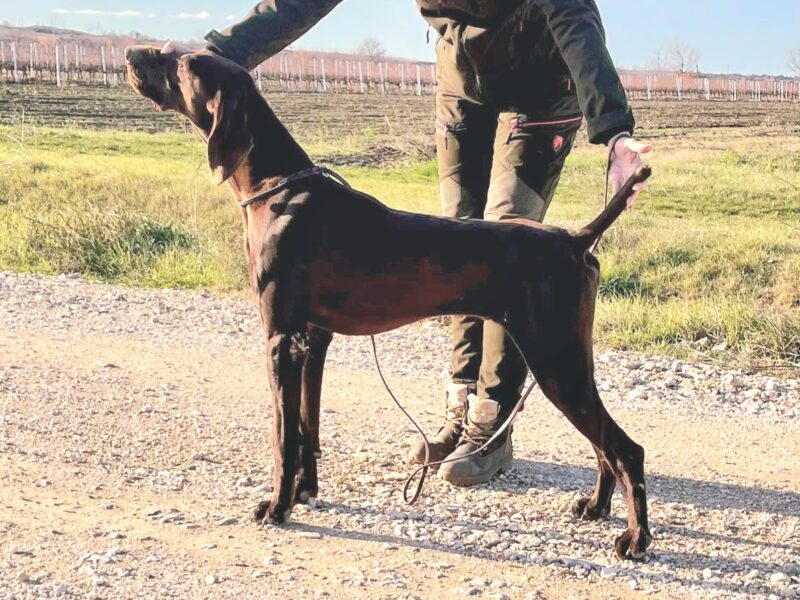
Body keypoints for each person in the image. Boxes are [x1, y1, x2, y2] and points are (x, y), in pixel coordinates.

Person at [201, 0, 652, 486]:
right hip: (463, 83)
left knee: (508, 242)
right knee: (453, 240)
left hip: (542, 88)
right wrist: (212, 54)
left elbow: (572, 13)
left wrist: (614, 130)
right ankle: (460, 402)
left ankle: (491, 420)